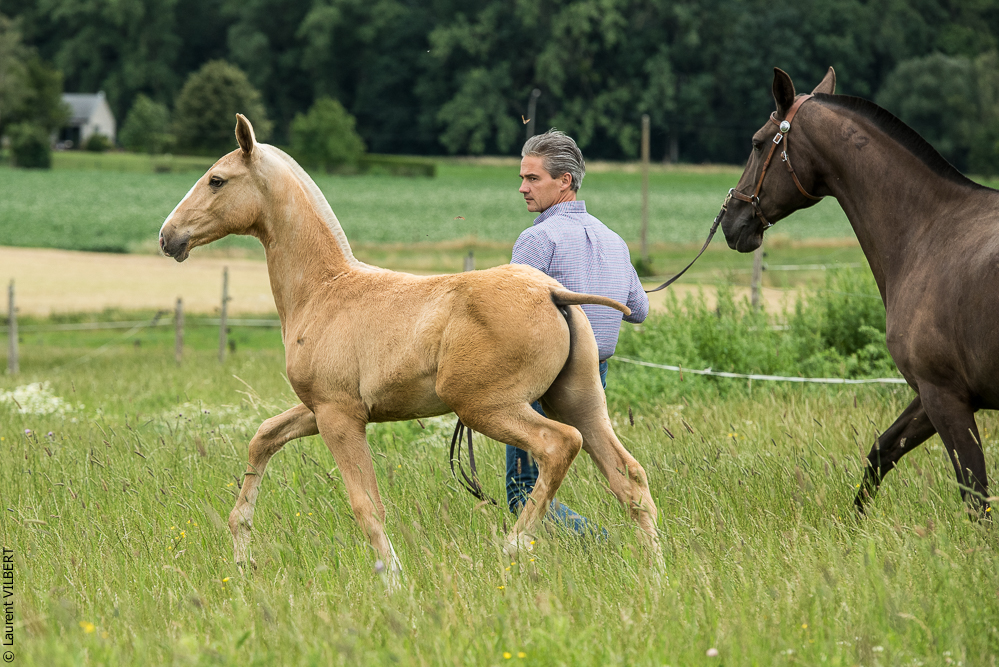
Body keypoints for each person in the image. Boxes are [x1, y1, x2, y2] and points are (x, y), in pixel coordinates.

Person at [507, 129, 649, 533]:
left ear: (564, 180)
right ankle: (627, 539)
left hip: (540, 378)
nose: (522, 187)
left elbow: (513, 320)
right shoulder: (613, 239)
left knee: (521, 490)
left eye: (533, 178)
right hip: (594, 375)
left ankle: (595, 542)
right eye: (522, 178)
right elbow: (638, 309)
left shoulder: (536, 239)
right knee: (603, 469)